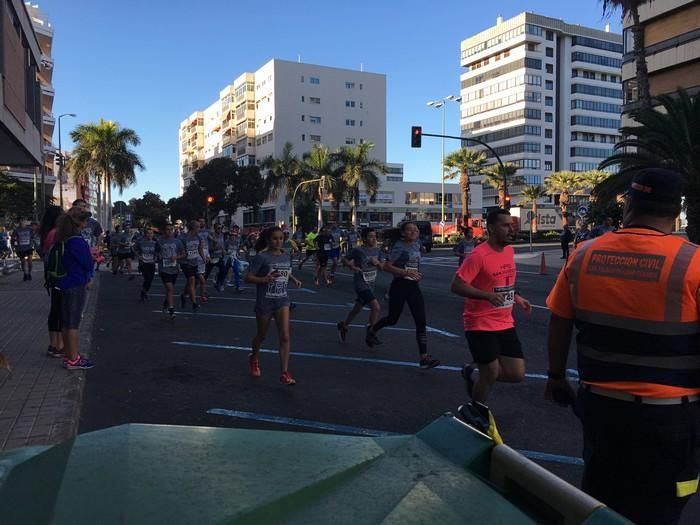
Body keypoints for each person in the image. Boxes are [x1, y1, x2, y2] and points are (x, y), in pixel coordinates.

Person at [544, 169, 700, 525]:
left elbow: (559, 320)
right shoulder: (694, 263)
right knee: (661, 507)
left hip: (601, 408)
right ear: (676, 212)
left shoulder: (583, 254)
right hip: (671, 416)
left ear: (628, 204)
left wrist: (555, 376)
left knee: (601, 502)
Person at [451, 209, 532, 404]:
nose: (510, 229)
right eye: (505, 225)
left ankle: (471, 371)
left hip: (505, 322)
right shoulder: (478, 256)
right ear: (491, 228)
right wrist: (486, 296)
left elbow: (505, 282)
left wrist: (517, 298)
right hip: (480, 323)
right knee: (490, 373)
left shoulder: (509, 251)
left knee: (516, 374)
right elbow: (456, 286)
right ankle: (476, 413)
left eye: (511, 225)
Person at [367, 222, 440, 368]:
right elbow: (387, 266)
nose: (414, 232)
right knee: (393, 319)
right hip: (399, 286)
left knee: (421, 321)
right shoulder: (400, 246)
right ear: (403, 233)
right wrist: (407, 272)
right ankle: (372, 330)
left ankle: (424, 357)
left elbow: (415, 262)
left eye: (416, 230)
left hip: (413, 286)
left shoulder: (417, 244)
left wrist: (415, 272)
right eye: (410, 230)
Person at [245, 226, 302, 386]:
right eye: (275, 238)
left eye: (281, 238)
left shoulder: (285, 256)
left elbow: (285, 271)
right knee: (261, 335)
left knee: (285, 336)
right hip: (265, 301)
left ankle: (284, 372)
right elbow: (248, 277)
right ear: (268, 240)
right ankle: (254, 357)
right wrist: (264, 280)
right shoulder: (261, 257)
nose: (278, 242)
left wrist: (293, 279)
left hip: (282, 300)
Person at [54, 208, 95, 370]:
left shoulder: (63, 239)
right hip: (75, 283)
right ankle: (73, 358)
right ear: (79, 223)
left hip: (63, 283)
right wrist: (92, 257)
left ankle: (69, 355)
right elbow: (87, 263)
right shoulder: (77, 241)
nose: (86, 224)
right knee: (73, 324)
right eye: (85, 221)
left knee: (66, 322)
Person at [337, 228, 384, 344]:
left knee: (357, 309)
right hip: (360, 284)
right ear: (363, 239)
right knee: (376, 307)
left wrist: (377, 263)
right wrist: (352, 267)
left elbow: (382, 266)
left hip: (371, 284)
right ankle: (371, 333)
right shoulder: (358, 250)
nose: (373, 239)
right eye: (370, 236)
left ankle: (344, 325)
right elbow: (344, 259)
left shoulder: (378, 251)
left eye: (374, 236)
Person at [39, 205, 64, 358]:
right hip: (59, 275)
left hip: (50, 275)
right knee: (60, 311)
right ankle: (59, 345)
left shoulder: (46, 233)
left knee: (54, 310)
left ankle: (53, 344)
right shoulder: (56, 234)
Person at [156, 223, 183, 319]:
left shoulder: (178, 242)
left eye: (171, 229)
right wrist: (158, 256)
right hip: (164, 268)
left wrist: (176, 257)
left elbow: (184, 254)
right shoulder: (160, 242)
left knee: (169, 290)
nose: (169, 231)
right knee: (170, 288)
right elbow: (156, 252)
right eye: (167, 229)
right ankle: (171, 309)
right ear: (164, 231)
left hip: (174, 268)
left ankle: (166, 302)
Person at [179, 220, 204, 311]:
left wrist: (203, 258)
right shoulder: (183, 238)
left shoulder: (198, 237)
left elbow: (200, 248)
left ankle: (184, 295)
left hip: (194, 261)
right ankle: (194, 302)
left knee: (192, 281)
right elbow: (179, 250)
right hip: (185, 262)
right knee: (192, 279)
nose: (199, 229)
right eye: (198, 227)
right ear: (192, 227)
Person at [135, 226, 157, 301]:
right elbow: (134, 249)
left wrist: (157, 256)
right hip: (143, 263)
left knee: (150, 279)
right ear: (145, 234)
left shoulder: (155, 243)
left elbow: (159, 252)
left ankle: (144, 292)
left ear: (153, 234)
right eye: (148, 233)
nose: (150, 235)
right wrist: (138, 256)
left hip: (152, 263)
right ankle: (144, 293)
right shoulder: (141, 242)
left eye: (151, 233)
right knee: (147, 278)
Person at [205, 223, 226, 292]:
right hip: (211, 258)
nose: (220, 230)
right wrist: (216, 247)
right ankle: (198, 287)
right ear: (215, 228)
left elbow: (222, 245)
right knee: (205, 274)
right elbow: (209, 248)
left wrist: (223, 251)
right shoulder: (211, 236)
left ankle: (218, 283)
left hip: (219, 257)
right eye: (218, 228)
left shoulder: (222, 235)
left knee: (223, 271)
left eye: (221, 228)